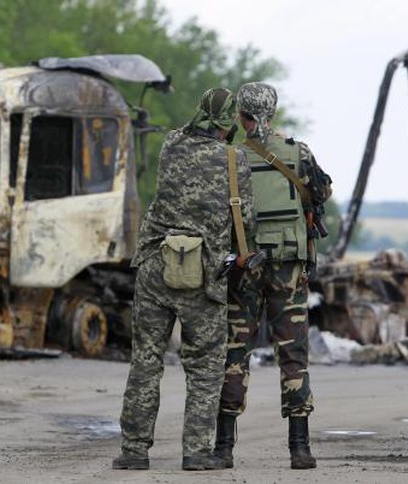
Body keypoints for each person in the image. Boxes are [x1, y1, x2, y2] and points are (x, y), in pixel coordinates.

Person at [112, 88, 253, 471]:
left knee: (146, 361)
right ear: (228, 121)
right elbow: (247, 221)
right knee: (205, 366)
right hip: (203, 273)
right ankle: (196, 452)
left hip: (157, 264)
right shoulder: (234, 159)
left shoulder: (171, 144)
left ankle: (133, 452)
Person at [214, 82, 332, 470]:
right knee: (293, 354)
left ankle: (223, 448)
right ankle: (299, 449)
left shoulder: (231, 157)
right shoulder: (298, 152)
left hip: (245, 267)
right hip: (288, 267)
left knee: (235, 351)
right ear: (273, 113)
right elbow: (323, 191)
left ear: (241, 116)